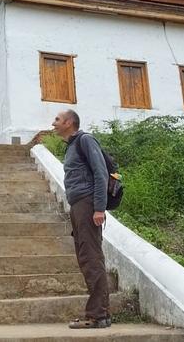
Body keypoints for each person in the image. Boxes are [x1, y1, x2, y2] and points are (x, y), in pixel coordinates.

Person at [51, 109, 111, 329]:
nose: (53, 123)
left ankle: (98, 315)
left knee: (91, 257)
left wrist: (99, 208)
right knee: (86, 257)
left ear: (69, 122)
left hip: (88, 205)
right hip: (79, 205)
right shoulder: (72, 146)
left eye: (57, 119)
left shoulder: (85, 140)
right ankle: (99, 313)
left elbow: (101, 173)